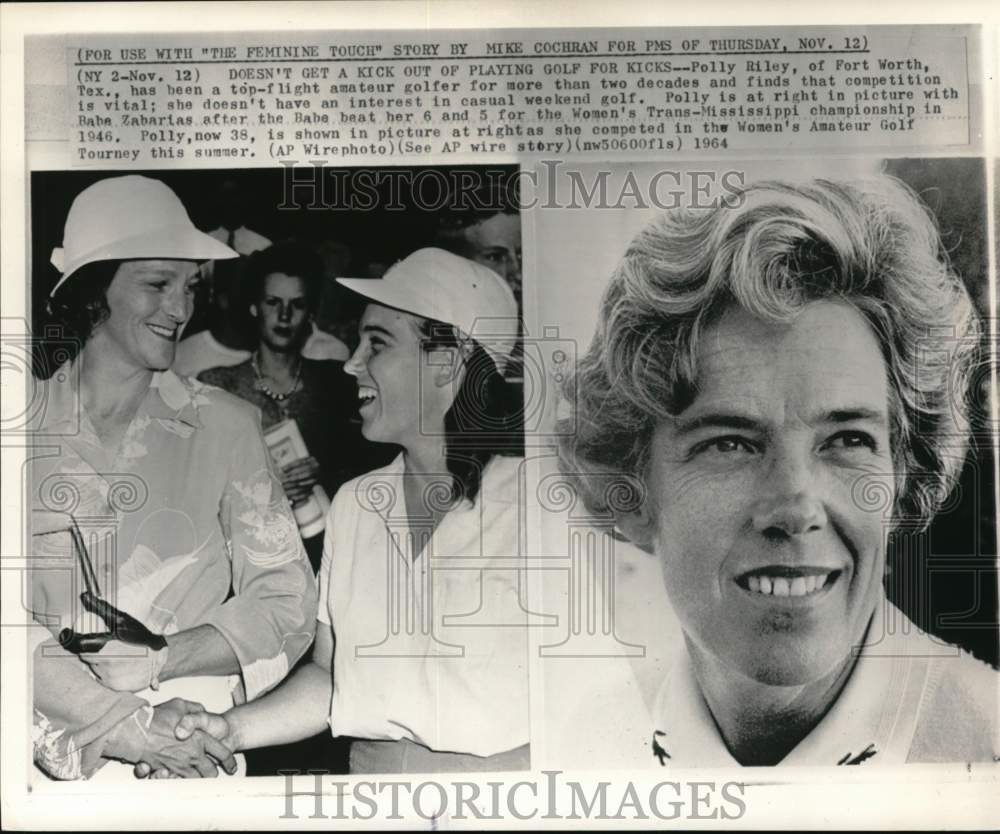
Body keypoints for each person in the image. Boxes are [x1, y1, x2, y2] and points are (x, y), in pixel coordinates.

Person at [556, 176, 997, 766]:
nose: (795, 508)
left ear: (902, 473)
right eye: (730, 444)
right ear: (632, 493)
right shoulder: (581, 749)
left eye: (847, 440)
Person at [141, 247, 529, 776]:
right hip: (368, 796)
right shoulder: (356, 505)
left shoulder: (538, 504)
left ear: (447, 363)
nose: (351, 363)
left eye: (378, 344)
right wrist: (230, 729)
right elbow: (330, 676)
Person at [29, 175, 318, 780]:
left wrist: (163, 659)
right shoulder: (19, 428)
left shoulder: (229, 427)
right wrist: (125, 724)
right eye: (157, 284)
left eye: (189, 287)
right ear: (92, 293)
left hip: (190, 754)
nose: (181, 310)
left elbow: (287, 598)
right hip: (42, 759)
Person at [199, 241, 392, 571]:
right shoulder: (218, 385)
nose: (284, 315)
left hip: (329, 556)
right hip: (243, 562)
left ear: (311, 314)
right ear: (254, 307)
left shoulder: (335, 384)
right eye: (273, 302)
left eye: (297, 304)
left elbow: (376, 473)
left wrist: (326, 473)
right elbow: (199, 487)